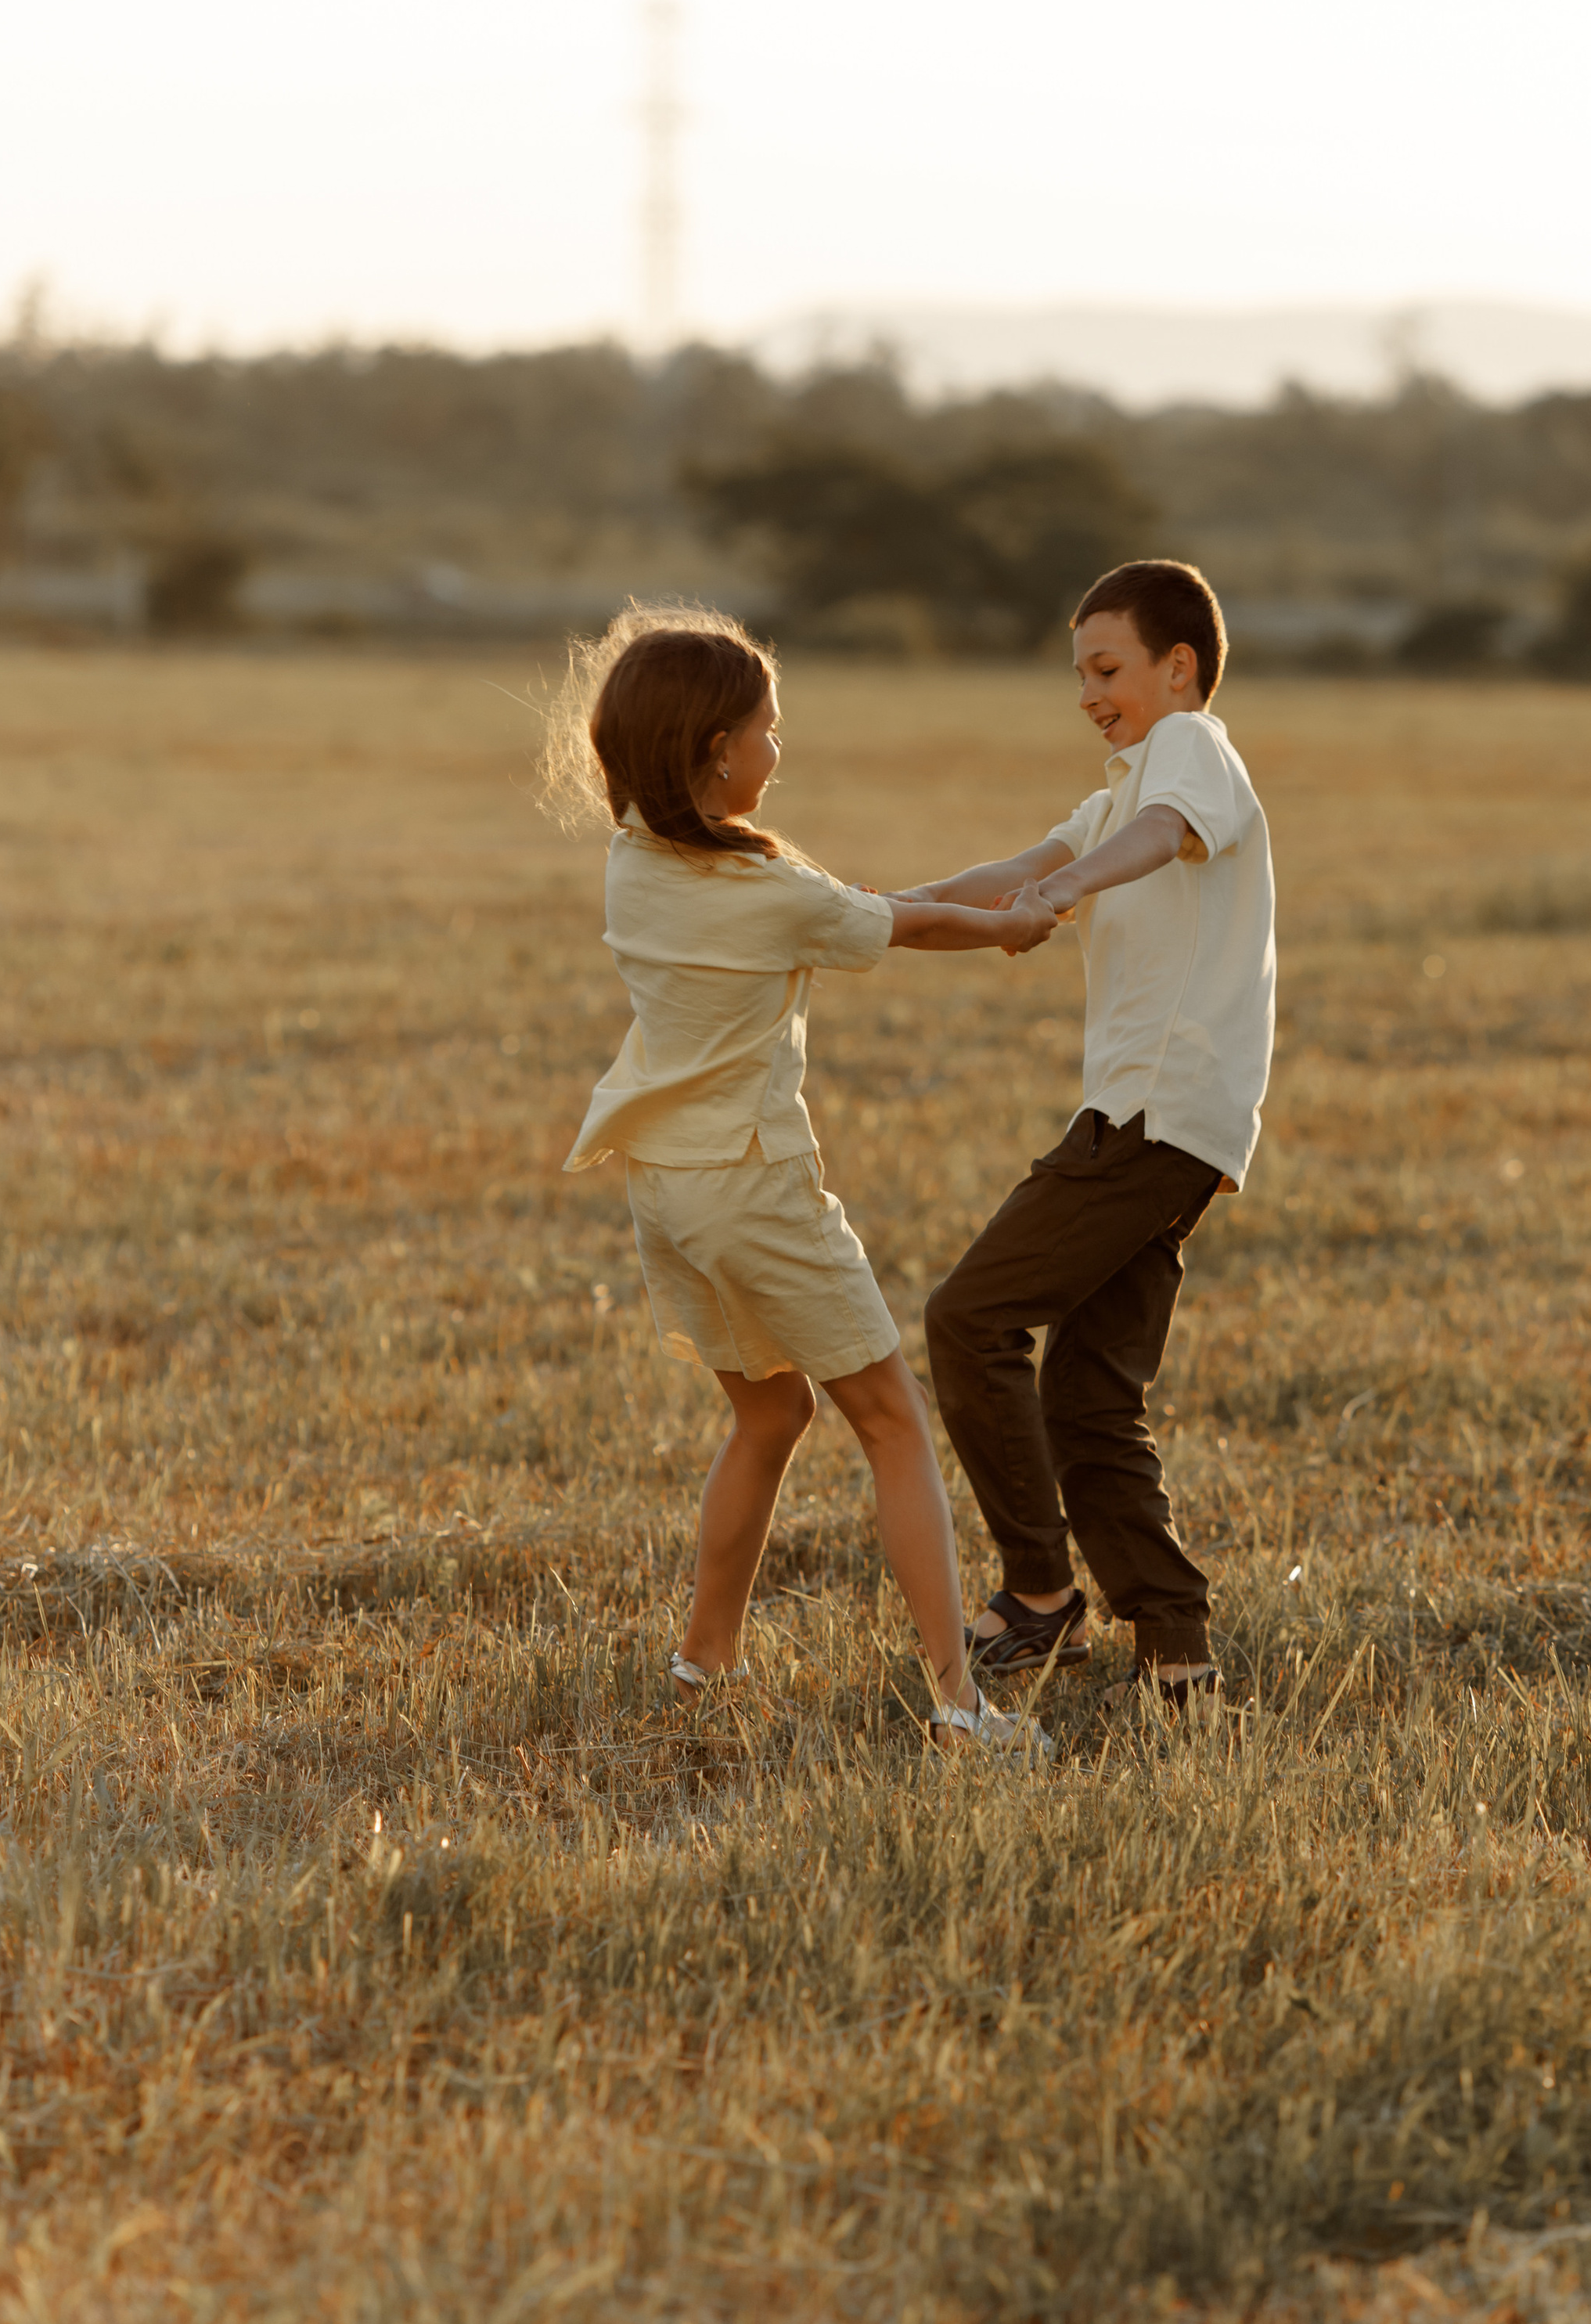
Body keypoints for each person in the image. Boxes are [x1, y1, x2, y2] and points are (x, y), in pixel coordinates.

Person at [542, 601, 1055, 1752]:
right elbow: (907, 928)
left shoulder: (636, 864)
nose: (781, 750)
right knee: (892, 1422)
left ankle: (703, 1661)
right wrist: (1017, 924)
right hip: (757, 1188)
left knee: (771, 1411)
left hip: (668, 1195)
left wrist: (997, 889)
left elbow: (868, 913)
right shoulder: (768, 893)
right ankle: (961, 1705)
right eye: (770, 729)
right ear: (717, 749)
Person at [903, 560, 1275, 1711]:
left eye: (1106, 669)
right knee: (1090, 1399)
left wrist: (1056, 902)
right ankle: (1177, 1654)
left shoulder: (1190, 752)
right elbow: (1022, 871)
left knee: (970, 1318)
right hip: (1167, 1122)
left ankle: (1039, 1597)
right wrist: (865, 917)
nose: (1088, 694)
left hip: (1155, 1114)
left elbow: (1156, 840)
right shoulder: (1119, 791)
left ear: (1181, 669)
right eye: (1080, 674)